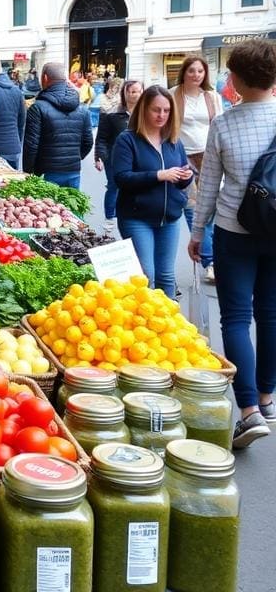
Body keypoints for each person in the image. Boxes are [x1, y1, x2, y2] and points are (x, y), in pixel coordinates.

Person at [188, 39, 276, 448]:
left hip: (233, 231)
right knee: (271, 315)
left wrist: (197, 232)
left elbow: (207, 187)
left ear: (237, 80)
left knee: (236, 318)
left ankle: (248, 411)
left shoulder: (224, 123)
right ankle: (266, 396)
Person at [111, 85, 193, 299]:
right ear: (144, 109)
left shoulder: (174, 141)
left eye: (166, 111)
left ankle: (169, 325)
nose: (161, 115)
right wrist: (158, 175)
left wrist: (186, 177)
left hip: (170, 217)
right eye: (156, 110)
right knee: (146, 274)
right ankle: (144, 322)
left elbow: (181, 177)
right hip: (137, 217)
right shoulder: (127, 140)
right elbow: (121, 178)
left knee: (166, 274)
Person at [174, 56, 224, 282]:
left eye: (200, 72)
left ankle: (212, 259)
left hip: (210, 156)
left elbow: (220, 124)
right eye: (192, 71)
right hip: (183, 157)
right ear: (184, 72)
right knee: (192, 207)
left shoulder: (212, 96)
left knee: (211, 206)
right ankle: (209, 260)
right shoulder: (174, 94)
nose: (196, 75)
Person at [22, 62, 94, 187]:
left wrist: (27, 171)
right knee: (70, 206)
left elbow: (31, 145)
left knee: (46, 206)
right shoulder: (82, 108)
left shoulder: (38, 108)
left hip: (45, 172)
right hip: (73, 171)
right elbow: (88, 142)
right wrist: (73, 158)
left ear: (45, 78)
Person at [94, 80, 143, 233]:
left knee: (136, 186)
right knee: (114, 186)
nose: (135, 95)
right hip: (114, 157)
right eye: (132, 91)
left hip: (139, 157)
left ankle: (133, 215)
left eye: (138, 91)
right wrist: (99, 156)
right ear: (125, 93)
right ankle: (110, 218)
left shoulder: (148, 113)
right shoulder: (112, 113)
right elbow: (102, 138)